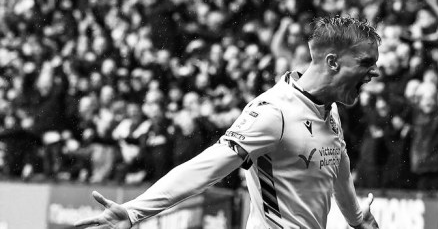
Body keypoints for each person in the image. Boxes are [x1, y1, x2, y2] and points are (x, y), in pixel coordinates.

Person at [74, 16, 381, 229]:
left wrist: (357, 218)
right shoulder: (274, 112)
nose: (374, 72)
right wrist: (134, 211)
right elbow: (206, 167)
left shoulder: (329, 109)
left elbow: (337, 161)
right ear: (332, 62)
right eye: (366, 63)